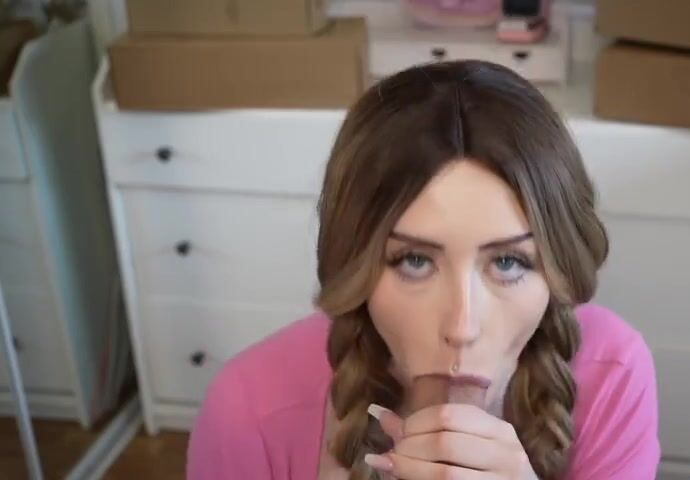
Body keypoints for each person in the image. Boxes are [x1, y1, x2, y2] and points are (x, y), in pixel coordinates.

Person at [186, 59, 660, 479]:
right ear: (354, 263)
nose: (462, 327)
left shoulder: (613, 373)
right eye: (415, 261)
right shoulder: (248, 410)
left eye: (508, 262)